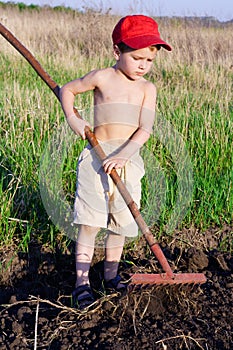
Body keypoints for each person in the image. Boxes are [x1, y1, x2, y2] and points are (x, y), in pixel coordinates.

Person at [59, 14, 172, 309]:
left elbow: (145, 128)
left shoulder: (148, 89)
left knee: (120, 224)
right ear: (117, 51)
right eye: (136, 58)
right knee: (89, 222)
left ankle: (111, 277)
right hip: (96, 160)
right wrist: (73, 119)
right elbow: (67, 90)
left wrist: (125, 154)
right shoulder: (101, 77)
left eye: (149, 61)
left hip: (128, 161)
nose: (143, 66)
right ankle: (81, 284)